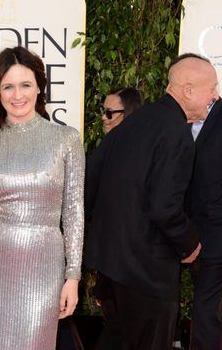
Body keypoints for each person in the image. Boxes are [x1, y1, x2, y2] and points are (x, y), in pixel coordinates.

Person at [0, 46, 85, 350]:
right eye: (8, 86)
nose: (17, 95)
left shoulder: (67, 140)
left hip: (45, 265)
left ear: (39, 87)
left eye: (25, 84)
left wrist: (73, 276)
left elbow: (73, 214)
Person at [84, 53, 218, 350]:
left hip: (110, 266)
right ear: (188, 90)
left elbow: (89, 182)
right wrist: (190, 242)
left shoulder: (134, 122)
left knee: (116, 341)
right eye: (212, 88)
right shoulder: (176, 133)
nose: (216, 95)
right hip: (147, 273)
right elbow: (164, 207)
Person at [92, 87, 143, 349]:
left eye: (109, 112)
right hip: (114, 262)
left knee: (121, 331)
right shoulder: (113, 147)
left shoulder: (132, 152)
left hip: (126, 264)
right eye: (103, 111)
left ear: (129, 114)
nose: (104, 117)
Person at [186, 98, 222, 350]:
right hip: (198, 234)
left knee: (206, 309)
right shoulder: (175, 120)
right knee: (206, 309)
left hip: (213, 233)